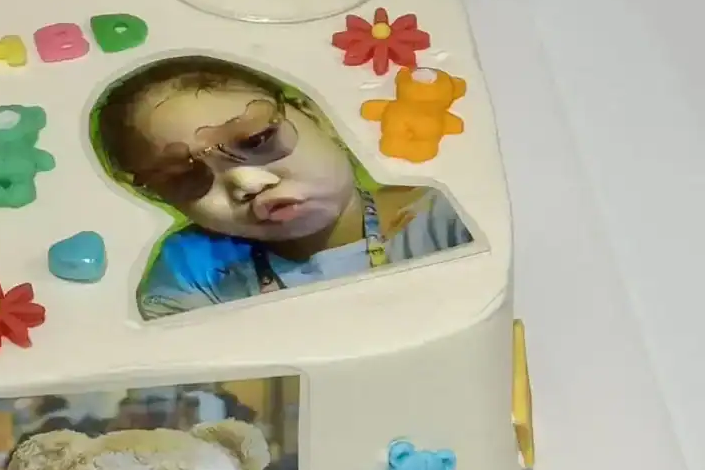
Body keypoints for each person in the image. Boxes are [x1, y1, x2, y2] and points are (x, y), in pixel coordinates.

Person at [95, 56, 473, 319]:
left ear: (316, 116)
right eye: (183, 177)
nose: (248, 183)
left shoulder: (444, 216)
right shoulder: (192, 272)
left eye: (256, 139)